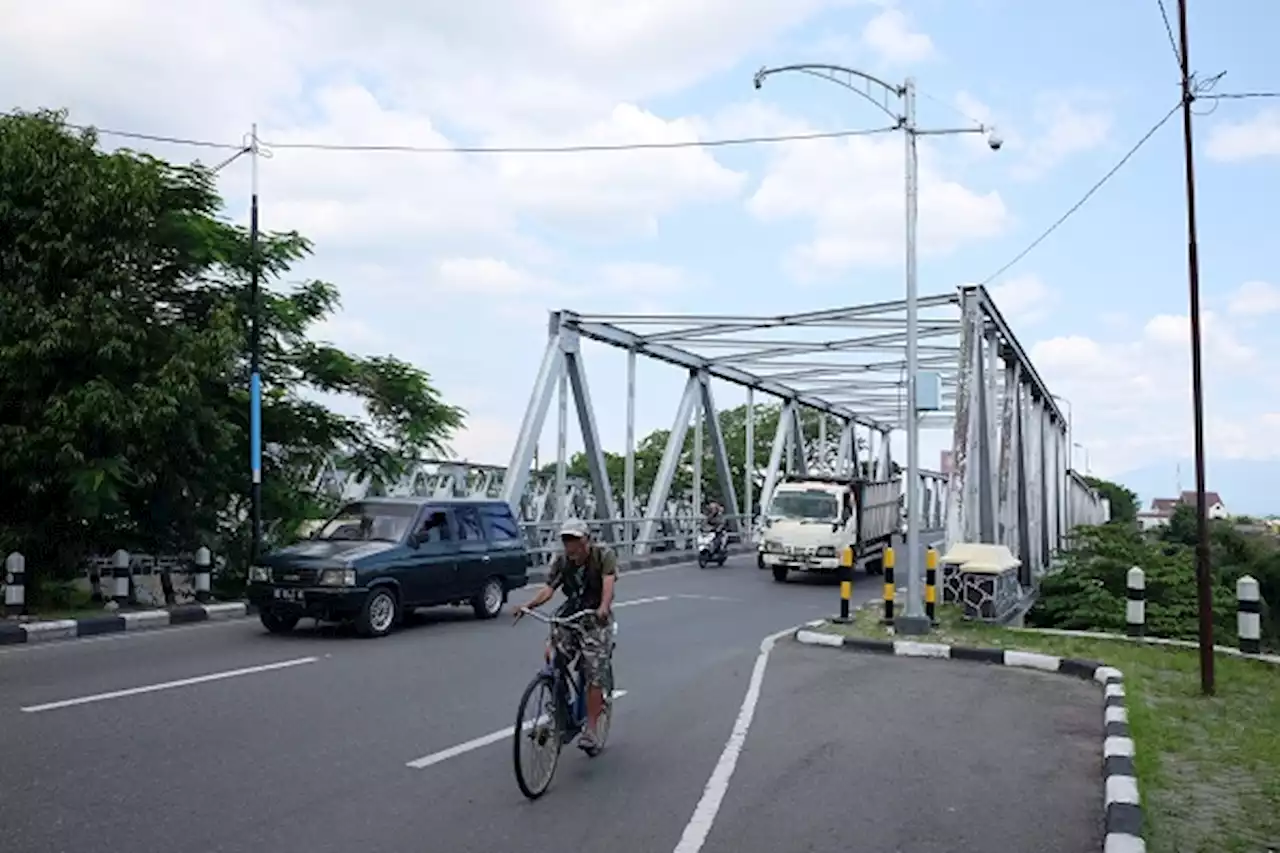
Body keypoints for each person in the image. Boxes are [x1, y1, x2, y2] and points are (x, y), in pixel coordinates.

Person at [514, 518, 616, 751]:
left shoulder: (603, 556)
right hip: (571, 612)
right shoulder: (562, 561)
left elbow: (608, 584)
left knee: (594, 671)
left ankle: (590, 729)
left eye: (574, 540)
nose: (570, 546)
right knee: (554, 657)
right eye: (566, 540)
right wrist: (528, 605)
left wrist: (603, 608)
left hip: (594, 616)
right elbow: (549, 588)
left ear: (586, 541)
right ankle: (561, 713)